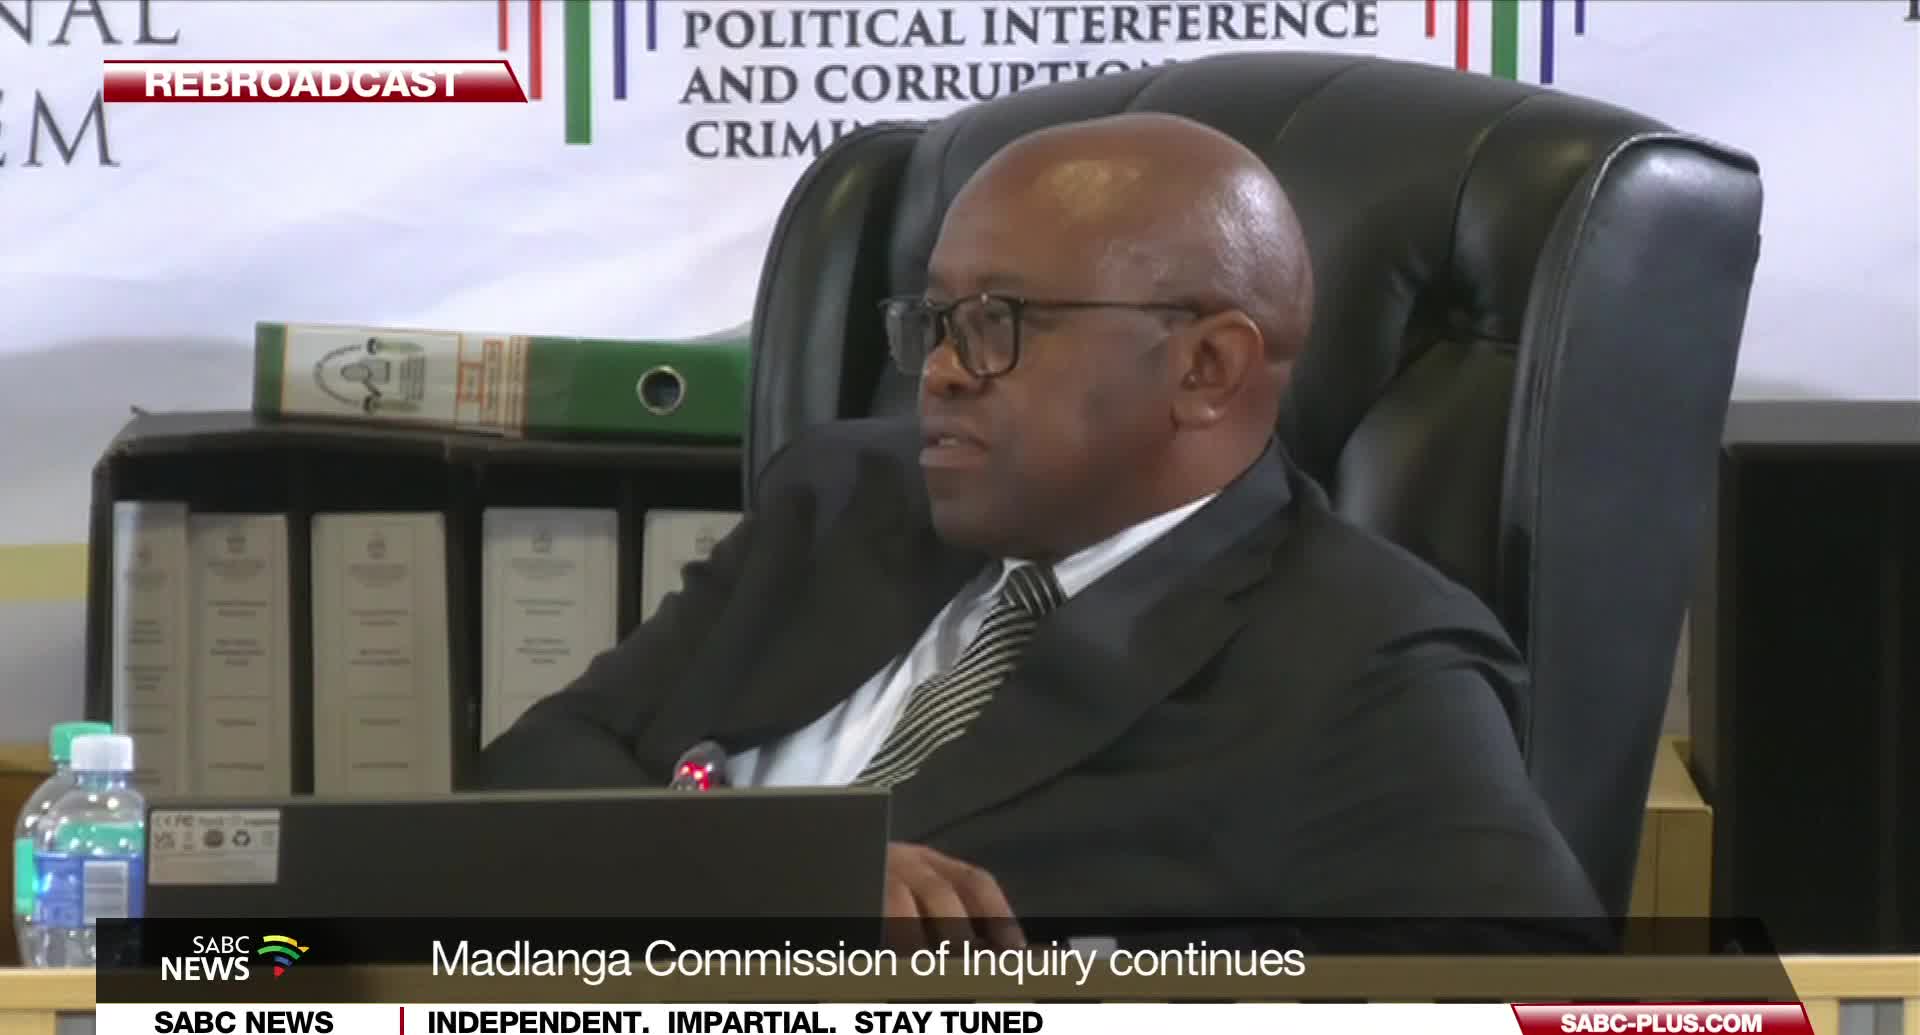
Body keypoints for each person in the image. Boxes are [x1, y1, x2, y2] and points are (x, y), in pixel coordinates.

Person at [480, 113, 1604, 948]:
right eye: (932, 320)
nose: (938, 373)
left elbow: (1543, 1010)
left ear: (1206, 367)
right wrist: (762, 869)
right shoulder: (841, 499)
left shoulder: (1364, 659)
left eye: (998, 324)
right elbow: (535, 769)